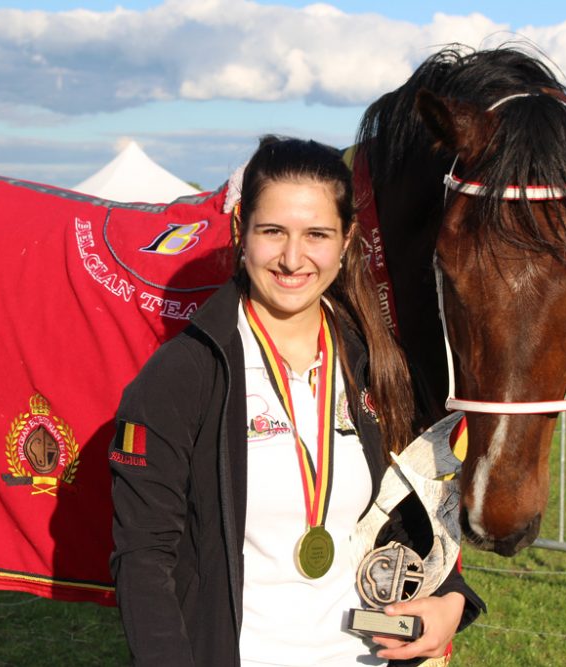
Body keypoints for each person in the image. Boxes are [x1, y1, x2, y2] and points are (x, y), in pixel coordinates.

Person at [109, 136, 484, 666]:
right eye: (272, 232)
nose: (292, 258)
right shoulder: (183, 377)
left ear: (347, 238)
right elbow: (144, 559)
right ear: (241, 231)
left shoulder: (376, 366)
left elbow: (409, 523)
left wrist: (450, 601)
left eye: (316, 234)